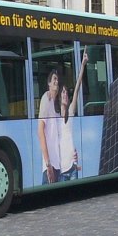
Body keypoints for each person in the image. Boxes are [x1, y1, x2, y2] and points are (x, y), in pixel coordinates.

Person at [57, 51, 88, 181]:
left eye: (65, 92)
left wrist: (83, 65)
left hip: (72, 166)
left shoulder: (70, 112)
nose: (65, 94)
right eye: (62, 92)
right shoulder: (55, 116)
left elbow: (77, 88)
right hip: (61, 168)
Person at [37, 68, 62, 184]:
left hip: (59, 164)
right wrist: (47, 163)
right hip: (50, 165)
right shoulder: (46, 98)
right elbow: (40, 131)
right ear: (49, 83)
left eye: (58, 79)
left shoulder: (58, 104)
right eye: (54, 79)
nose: (56, 82)